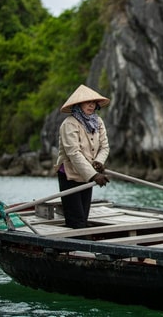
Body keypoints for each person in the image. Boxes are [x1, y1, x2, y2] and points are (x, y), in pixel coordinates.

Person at [54, 84, 110, 228]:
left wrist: (98, 162)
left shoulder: (98, 122)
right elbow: (74, 153)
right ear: (79, 104)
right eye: (87, 102)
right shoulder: (69, 124)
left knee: (84, 216)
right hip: (70, 174)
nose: (91, 105)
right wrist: (94, 175)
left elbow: (105, 147)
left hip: (88, 174)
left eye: (93, 103)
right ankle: (73, 248)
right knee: (76, 219)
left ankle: (81, 245)